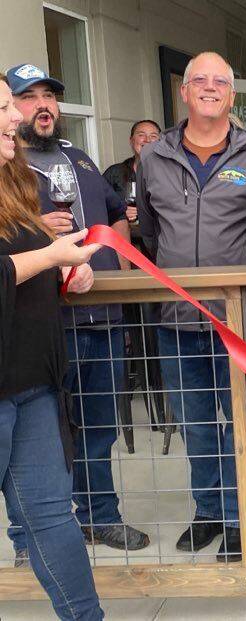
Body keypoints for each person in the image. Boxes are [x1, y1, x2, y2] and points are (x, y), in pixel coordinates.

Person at [5, 63, 150, 558]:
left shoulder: (80, 157)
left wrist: (123, 270)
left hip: (104, 317)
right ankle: (33, 534)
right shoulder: (7, 165)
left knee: (100, 423)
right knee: (45, 434)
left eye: (49, 96)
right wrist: (35, 226)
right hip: (48, 323)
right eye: (28, 98)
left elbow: (114, 213)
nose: (42, 106)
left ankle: (98, 516)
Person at [137, 51, 246, 562]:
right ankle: (209, 511)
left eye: (221, 82)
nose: (211, 88)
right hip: (175, 321)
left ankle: (241, 517)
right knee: (195, 425)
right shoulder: (154, 157)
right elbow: (150, 233)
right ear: (185, 92)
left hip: (234, 321)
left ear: (232, 95)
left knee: (240, 422)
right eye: (200, 80)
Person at [0, 72, 105, 621]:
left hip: (33, 384)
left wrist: (67, 271)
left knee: (51, 518)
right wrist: (49, 259)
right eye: (2, 108)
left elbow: (31, 259)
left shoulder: (15, 180)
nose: (15, 116)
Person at [103, 119, 161, 222]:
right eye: (141, 135)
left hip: (160, 236)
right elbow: (97, 205)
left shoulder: (170, 173)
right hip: (125, 236)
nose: (147, 140)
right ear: (131, 140)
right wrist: (118, 213)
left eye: (153, 136)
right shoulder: (114, 173)